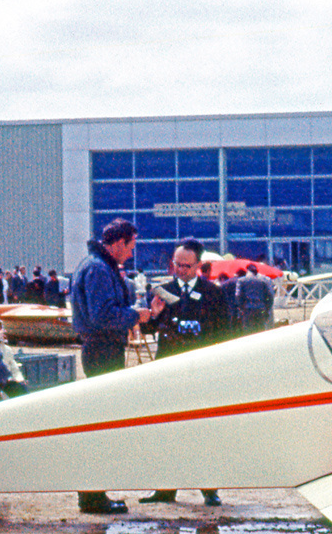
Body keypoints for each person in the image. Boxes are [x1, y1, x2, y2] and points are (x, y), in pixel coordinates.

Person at [70, 220, 153, 514]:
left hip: (101, 349)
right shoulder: (98, 269)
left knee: (100, 422)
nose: (131, 253)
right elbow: (103, 315)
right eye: (130, 247)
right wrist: (135, 315)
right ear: (118, 243)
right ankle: (92, 496)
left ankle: (93, 493)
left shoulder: (96, 266)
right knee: (100, 425)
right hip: (102, 350)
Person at [139, 238, 230, 507]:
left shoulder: (213, 292)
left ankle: (209, 488)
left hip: (202, 371)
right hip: (168, 370)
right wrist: (152, 315)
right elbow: (146, 331)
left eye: (186, 266)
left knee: (204, 430)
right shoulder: (162, 291)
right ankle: (165, 488)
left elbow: (225, 332)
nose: (179, 270)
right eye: (176, 265)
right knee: (166, 429)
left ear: (198, 266)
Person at [236, 263, 274, 333]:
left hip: (247, 310)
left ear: (247, 271)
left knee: (248, 332)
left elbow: (238, 295)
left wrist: (241, 308)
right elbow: (270, 296)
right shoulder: (263, 281)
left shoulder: (241, 280)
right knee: (260, 331)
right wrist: (267, 308)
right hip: (261, 309)